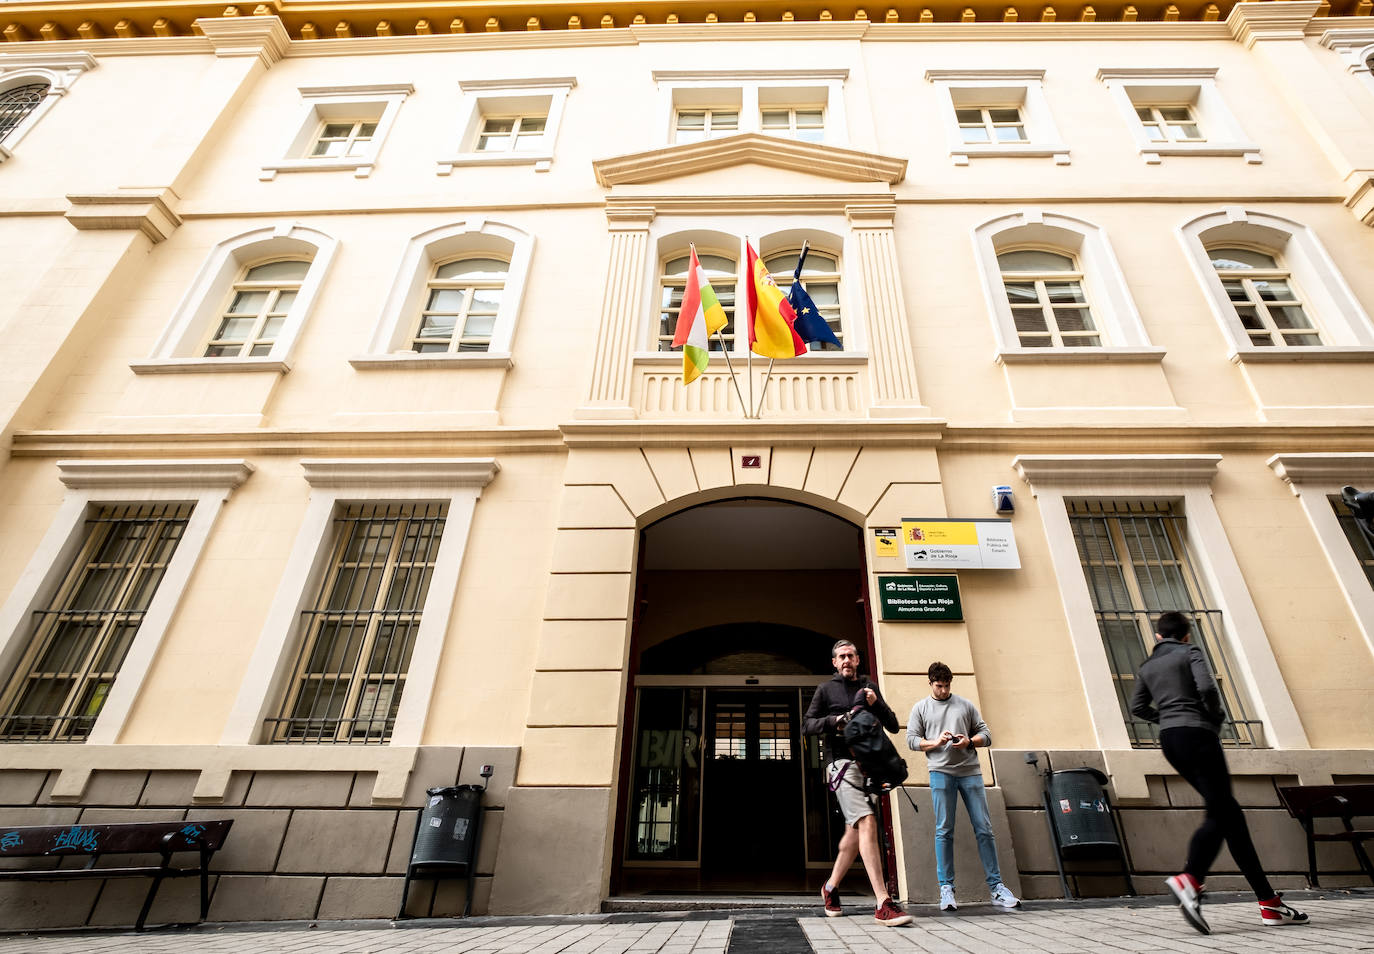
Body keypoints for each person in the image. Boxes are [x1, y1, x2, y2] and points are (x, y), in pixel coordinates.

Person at [1131, 611, 1309, 934]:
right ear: (1185, 635)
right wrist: (1213, 719)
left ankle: (1269, 903)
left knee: (1230, 814)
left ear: (1158, 636)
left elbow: (1138, 708)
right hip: (1198, 736)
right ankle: (1190, 878)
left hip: (1171, 741)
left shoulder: (1147, 666)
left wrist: (1168, 720)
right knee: (1222, 810)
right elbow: (1208, 689)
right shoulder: (1190, 652)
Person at [803, 639, 913, 926]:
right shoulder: (825, 690)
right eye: (841, 656)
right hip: (840, 765)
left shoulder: (869, 687)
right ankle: (883, 902)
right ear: (834, 663)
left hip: (870, 768)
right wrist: (836, 720)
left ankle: (830, 888)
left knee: (854, 832)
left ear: (858, 659)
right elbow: (807, 725)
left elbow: (891, 724)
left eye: (851, 655)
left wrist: (876, 705)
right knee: (867, 821)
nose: (847, 660)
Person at [906, 661, 1020, 912]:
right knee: (944, 830)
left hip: (970, 773)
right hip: (940, 773)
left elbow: (986, 734)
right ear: (930, 683)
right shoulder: (921, 708)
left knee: (984, 829)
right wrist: (936, 742)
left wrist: (969, 741)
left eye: (947, 686)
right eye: (939, 686)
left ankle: (997, 888)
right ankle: (946, 889)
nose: (944, 691)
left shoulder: (965, 705)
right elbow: (912, 740)